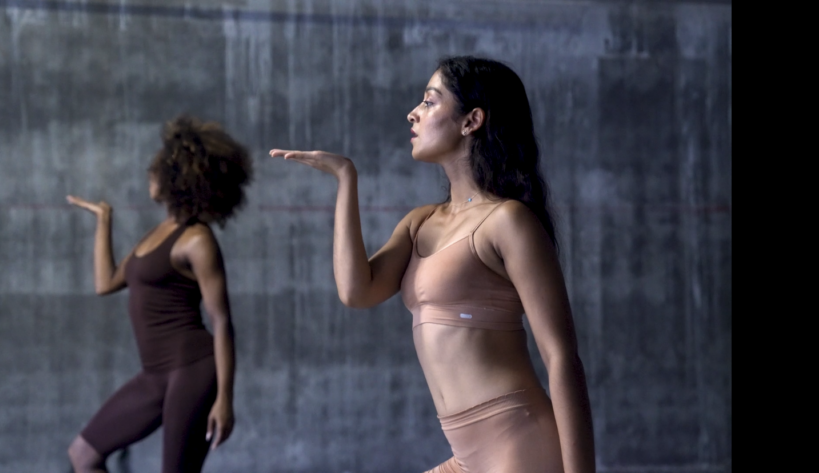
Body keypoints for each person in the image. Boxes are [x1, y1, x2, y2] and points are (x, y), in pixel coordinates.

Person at [269, 56, 595, 473]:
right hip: (466, 456)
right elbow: (356, 291)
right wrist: (345, 178)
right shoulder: (421, 221)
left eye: (429, 101)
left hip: (517, 444)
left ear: (471, 120)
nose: (413, 112)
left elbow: (562, 356)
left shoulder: (508, 222)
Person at [66, 115, 252, 473]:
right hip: (155, 375)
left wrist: (225, 399)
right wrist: (104, 219)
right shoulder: (158, 232)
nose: (149, 177)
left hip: (193, 371)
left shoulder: (197, 240)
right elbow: (105, 283)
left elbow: (222, 322)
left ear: (178, 178)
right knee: (83, 455)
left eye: (156, 171)